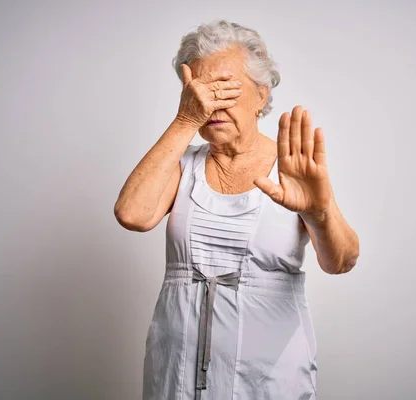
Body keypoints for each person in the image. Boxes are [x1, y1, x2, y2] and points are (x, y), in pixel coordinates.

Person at [114, 19, 359, 400]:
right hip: (175, 370)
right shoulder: (182, 164)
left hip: (269, 378)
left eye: (224, 89)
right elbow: (132, 214)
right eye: (199, 91)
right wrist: (185, 121)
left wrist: (318, 210)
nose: (210, 103)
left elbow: (341, 260)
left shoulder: (292, 167)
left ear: (261, 95)